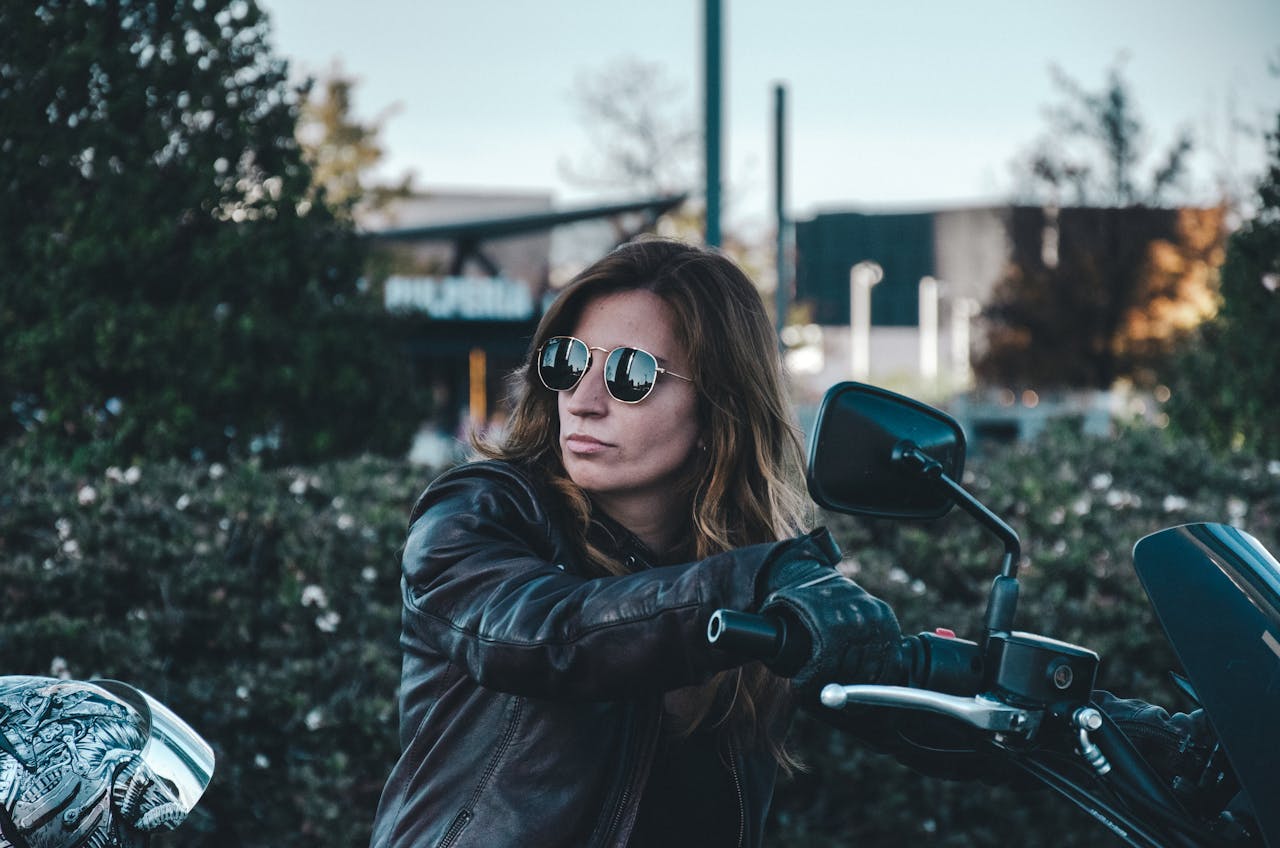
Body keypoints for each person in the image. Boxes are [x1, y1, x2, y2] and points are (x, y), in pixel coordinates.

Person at [368, 237, 1211, 848]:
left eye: (629, 375)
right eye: (566, 361)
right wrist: (759, 582)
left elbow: (913, 696)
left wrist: (1156, 741)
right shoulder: (480, 514)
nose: (584, 400)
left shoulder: (741, 579)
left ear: (716, 413)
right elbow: (543, 635)